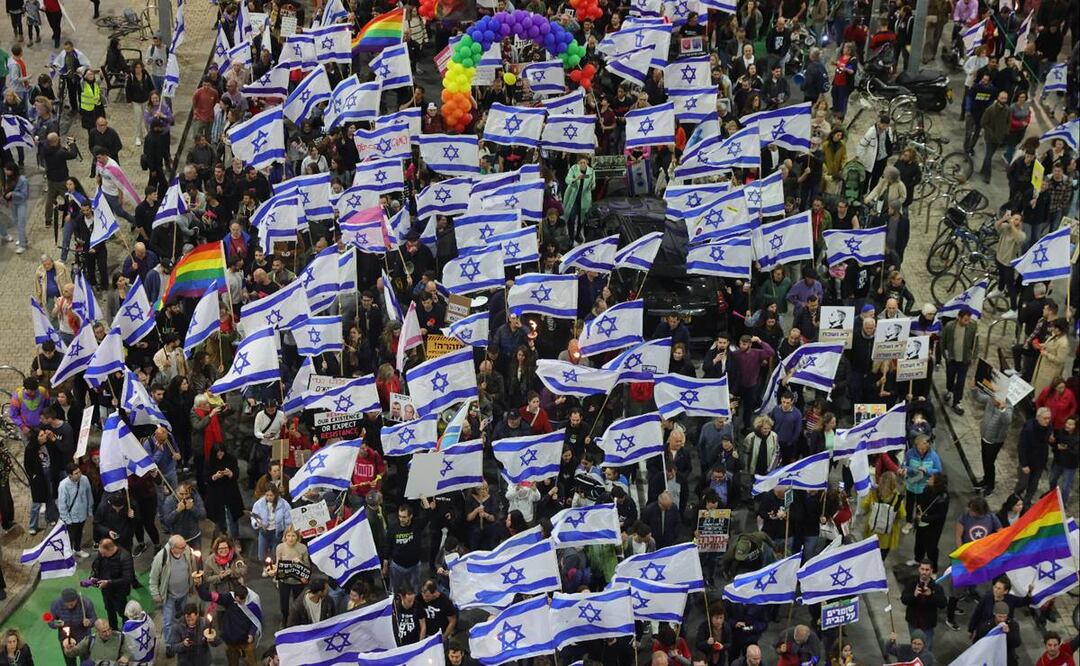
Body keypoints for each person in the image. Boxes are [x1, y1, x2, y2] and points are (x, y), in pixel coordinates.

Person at [149, 535, 198, 643]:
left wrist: (194, 582)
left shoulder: (187, 551)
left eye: (184, 546)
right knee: (168, 622)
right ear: (172, 548)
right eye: (181, 547)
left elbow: (192, 568)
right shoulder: (161, 557)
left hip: (184, 593)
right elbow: (153, 578)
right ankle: (169, 644)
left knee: (184, 618)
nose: (184, 548)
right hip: (169, 596)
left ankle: (184, 638)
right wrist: (156, 594)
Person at [901, 560, 947, 648]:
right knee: (914, 647)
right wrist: (914, 595)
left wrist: (931, 595)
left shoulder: (936, 587)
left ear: (931, 570)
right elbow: (904, 600)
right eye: (922, 569)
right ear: (919, 569)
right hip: (913, 623)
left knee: (926, 648)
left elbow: (943, 604)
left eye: (927, 570)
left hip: (927, 625)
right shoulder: (912, 583)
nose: (924, 572)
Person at [941, 308, 977, 415]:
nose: (967, 322)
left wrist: (973, 357)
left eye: (969, 320)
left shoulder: (972, 326)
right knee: (950, 377)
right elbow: (943, 342)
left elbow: (975, 343)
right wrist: (945, 355)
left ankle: (957, 401)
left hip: (964, 360)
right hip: (952, 359)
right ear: (959, 317)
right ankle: (949, 390)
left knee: (961, 381)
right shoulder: (949, 327)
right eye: (965, 320)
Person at [49, 588, 97, 666]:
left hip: (83, 637)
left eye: (72, 604)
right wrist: (56, 623)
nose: (69, 606)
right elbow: (49, 620)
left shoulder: (86, 602)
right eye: (67, 604)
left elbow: (94, 619)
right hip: (65, 638)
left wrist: (89, 622)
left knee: (86, 661)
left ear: (77, 599)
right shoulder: (56, 603)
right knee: (69, 662)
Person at [61, 619, 133, 665]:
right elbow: (74, 652)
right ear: (97, 632)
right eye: (104, 631)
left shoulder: (119, 637)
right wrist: (68, 650)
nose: (108, 633)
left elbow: (127, 651)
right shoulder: (90, 639)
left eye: (109, 629)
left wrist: (125, 657)